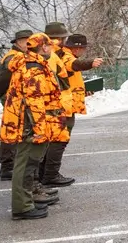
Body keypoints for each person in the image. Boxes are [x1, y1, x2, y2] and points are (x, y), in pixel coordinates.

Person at [0, 33, 64, 220]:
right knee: (26, 164)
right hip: (31, 125)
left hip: (30, 123)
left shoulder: (32, 64)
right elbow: (33, 101)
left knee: (28, 163)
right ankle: (22, 207)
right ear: (43, 47)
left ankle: (26, 201)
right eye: (49, 46)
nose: (51, 49)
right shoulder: (33, 68)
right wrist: (39, 129)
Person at [42, 22, 101, 187]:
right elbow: (73, 65)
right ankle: (50, 175)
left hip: (61, 102)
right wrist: (90, 63)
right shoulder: (61, 54)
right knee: (59, 140)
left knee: (54, 140)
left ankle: (45, 173)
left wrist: (83, 91)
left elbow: (68, 78)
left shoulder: (53, 53)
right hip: (62, 105)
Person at [0, 29, 32, 180]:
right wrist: (3, 95)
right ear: (19, 42)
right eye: (26, 42)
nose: (29, 45)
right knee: (11, 130)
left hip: (14, 97)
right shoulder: (14, 57)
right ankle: (7, 166)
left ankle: (10, 165)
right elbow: (3, 80)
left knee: (15, 129)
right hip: (12, 98)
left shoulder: (19, 55)